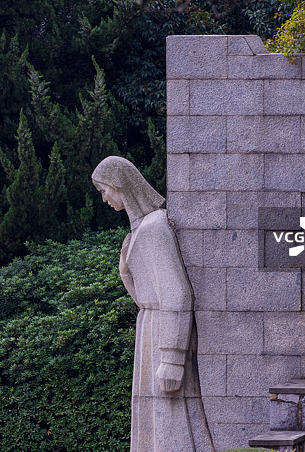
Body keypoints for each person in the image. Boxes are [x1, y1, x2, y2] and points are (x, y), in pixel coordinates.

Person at [92, 155, 214, 452]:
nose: (104, 199)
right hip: (151, 326)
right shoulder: (141, 230)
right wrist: (125, 270)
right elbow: (146, 298)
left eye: (104, 190)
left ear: (120, 185)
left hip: (163, 332)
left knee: (171, 415)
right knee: (157, 415)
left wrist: (172, 358)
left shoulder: (154, 228)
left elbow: (177, 294)